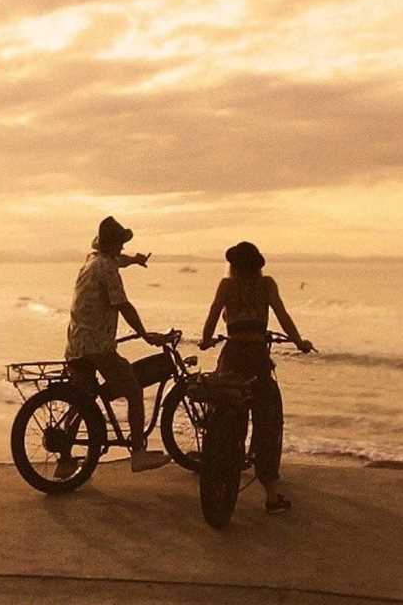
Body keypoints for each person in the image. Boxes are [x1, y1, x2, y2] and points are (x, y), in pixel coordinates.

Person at [198, 241, 314, 514]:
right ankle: (271, 496)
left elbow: (213, 314)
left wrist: (204, 341)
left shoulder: (226, 286)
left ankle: (218, 458)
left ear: (234, 266)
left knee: (224, 406)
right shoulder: (267, 285)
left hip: (233, 355)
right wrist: (299, 342)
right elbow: (282, 315)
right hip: (257, 358)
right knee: (267, 420)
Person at [64, 216, 172, 474]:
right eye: (121, 244)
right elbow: (123, 305)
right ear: (113, 245)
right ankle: (138, 452)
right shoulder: (107, 269)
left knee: (82, 401)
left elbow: (117, 261)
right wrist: (145, 334)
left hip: (76, 344)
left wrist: (134, 260)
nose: (123, 249)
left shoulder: (92, 261)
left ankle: (65, 460)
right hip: (97, 346)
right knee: (133, 390)